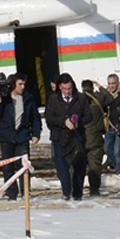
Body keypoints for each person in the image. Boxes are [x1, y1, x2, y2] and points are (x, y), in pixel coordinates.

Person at [0, 72, 41, 200]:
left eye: (24, 84)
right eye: (20, 84)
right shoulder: (5, 98)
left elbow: (35, 117)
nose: (22, 87)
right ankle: (11, 193)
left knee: (24, 166)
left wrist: (36, 134)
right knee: (8, 167)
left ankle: (25, 192)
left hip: (22, 136)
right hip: (6, 136)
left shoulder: (28, 98)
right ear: (13, 85)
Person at [43, 72, 91, 200]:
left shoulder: (81, 98)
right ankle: (66, 193)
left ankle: (77, 194)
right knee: (62, 168)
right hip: (60, 138)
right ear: (59, 87)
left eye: (69, 88)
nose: (67, 91)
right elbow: (49, 118)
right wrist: (63, 122)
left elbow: (88, 116)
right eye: (64, 89)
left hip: (77, 138)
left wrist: (78, 123)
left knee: (79, 168)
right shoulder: (53, 99)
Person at [81, 79, 114, 196]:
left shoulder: (77, 100)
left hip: (80, 139)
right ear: (92, 88)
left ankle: (74, 190)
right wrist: (101, 87)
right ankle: (94, 191)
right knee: (94, 167)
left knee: (77, 166)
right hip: (95, 138)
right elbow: (110, 98)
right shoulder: (98, 98)